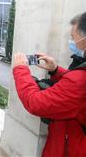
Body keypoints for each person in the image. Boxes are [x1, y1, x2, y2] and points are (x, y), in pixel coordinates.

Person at [13, 12, 86, 157]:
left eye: (73, 35)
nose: (71, 39)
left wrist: (20, 69)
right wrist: (56, 70)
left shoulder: (79, 82)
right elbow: (74, 86)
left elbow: (35, 103)